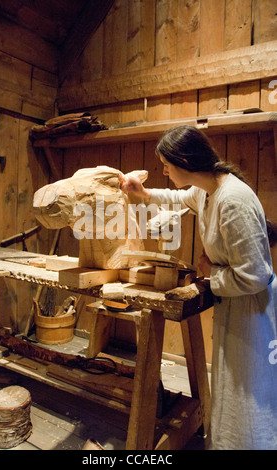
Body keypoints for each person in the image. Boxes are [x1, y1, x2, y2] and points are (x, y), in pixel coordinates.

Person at [121, 125, 277, 450]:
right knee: (231, 388)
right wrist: (144, 194)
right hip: (235, 304)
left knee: (247, 393)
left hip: (252, 310)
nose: (163, 170)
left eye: (166, 164)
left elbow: (254, 277)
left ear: (185, 161)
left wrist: (209, 275)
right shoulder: (205, 189)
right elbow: (178, 195)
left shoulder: (232, 200)